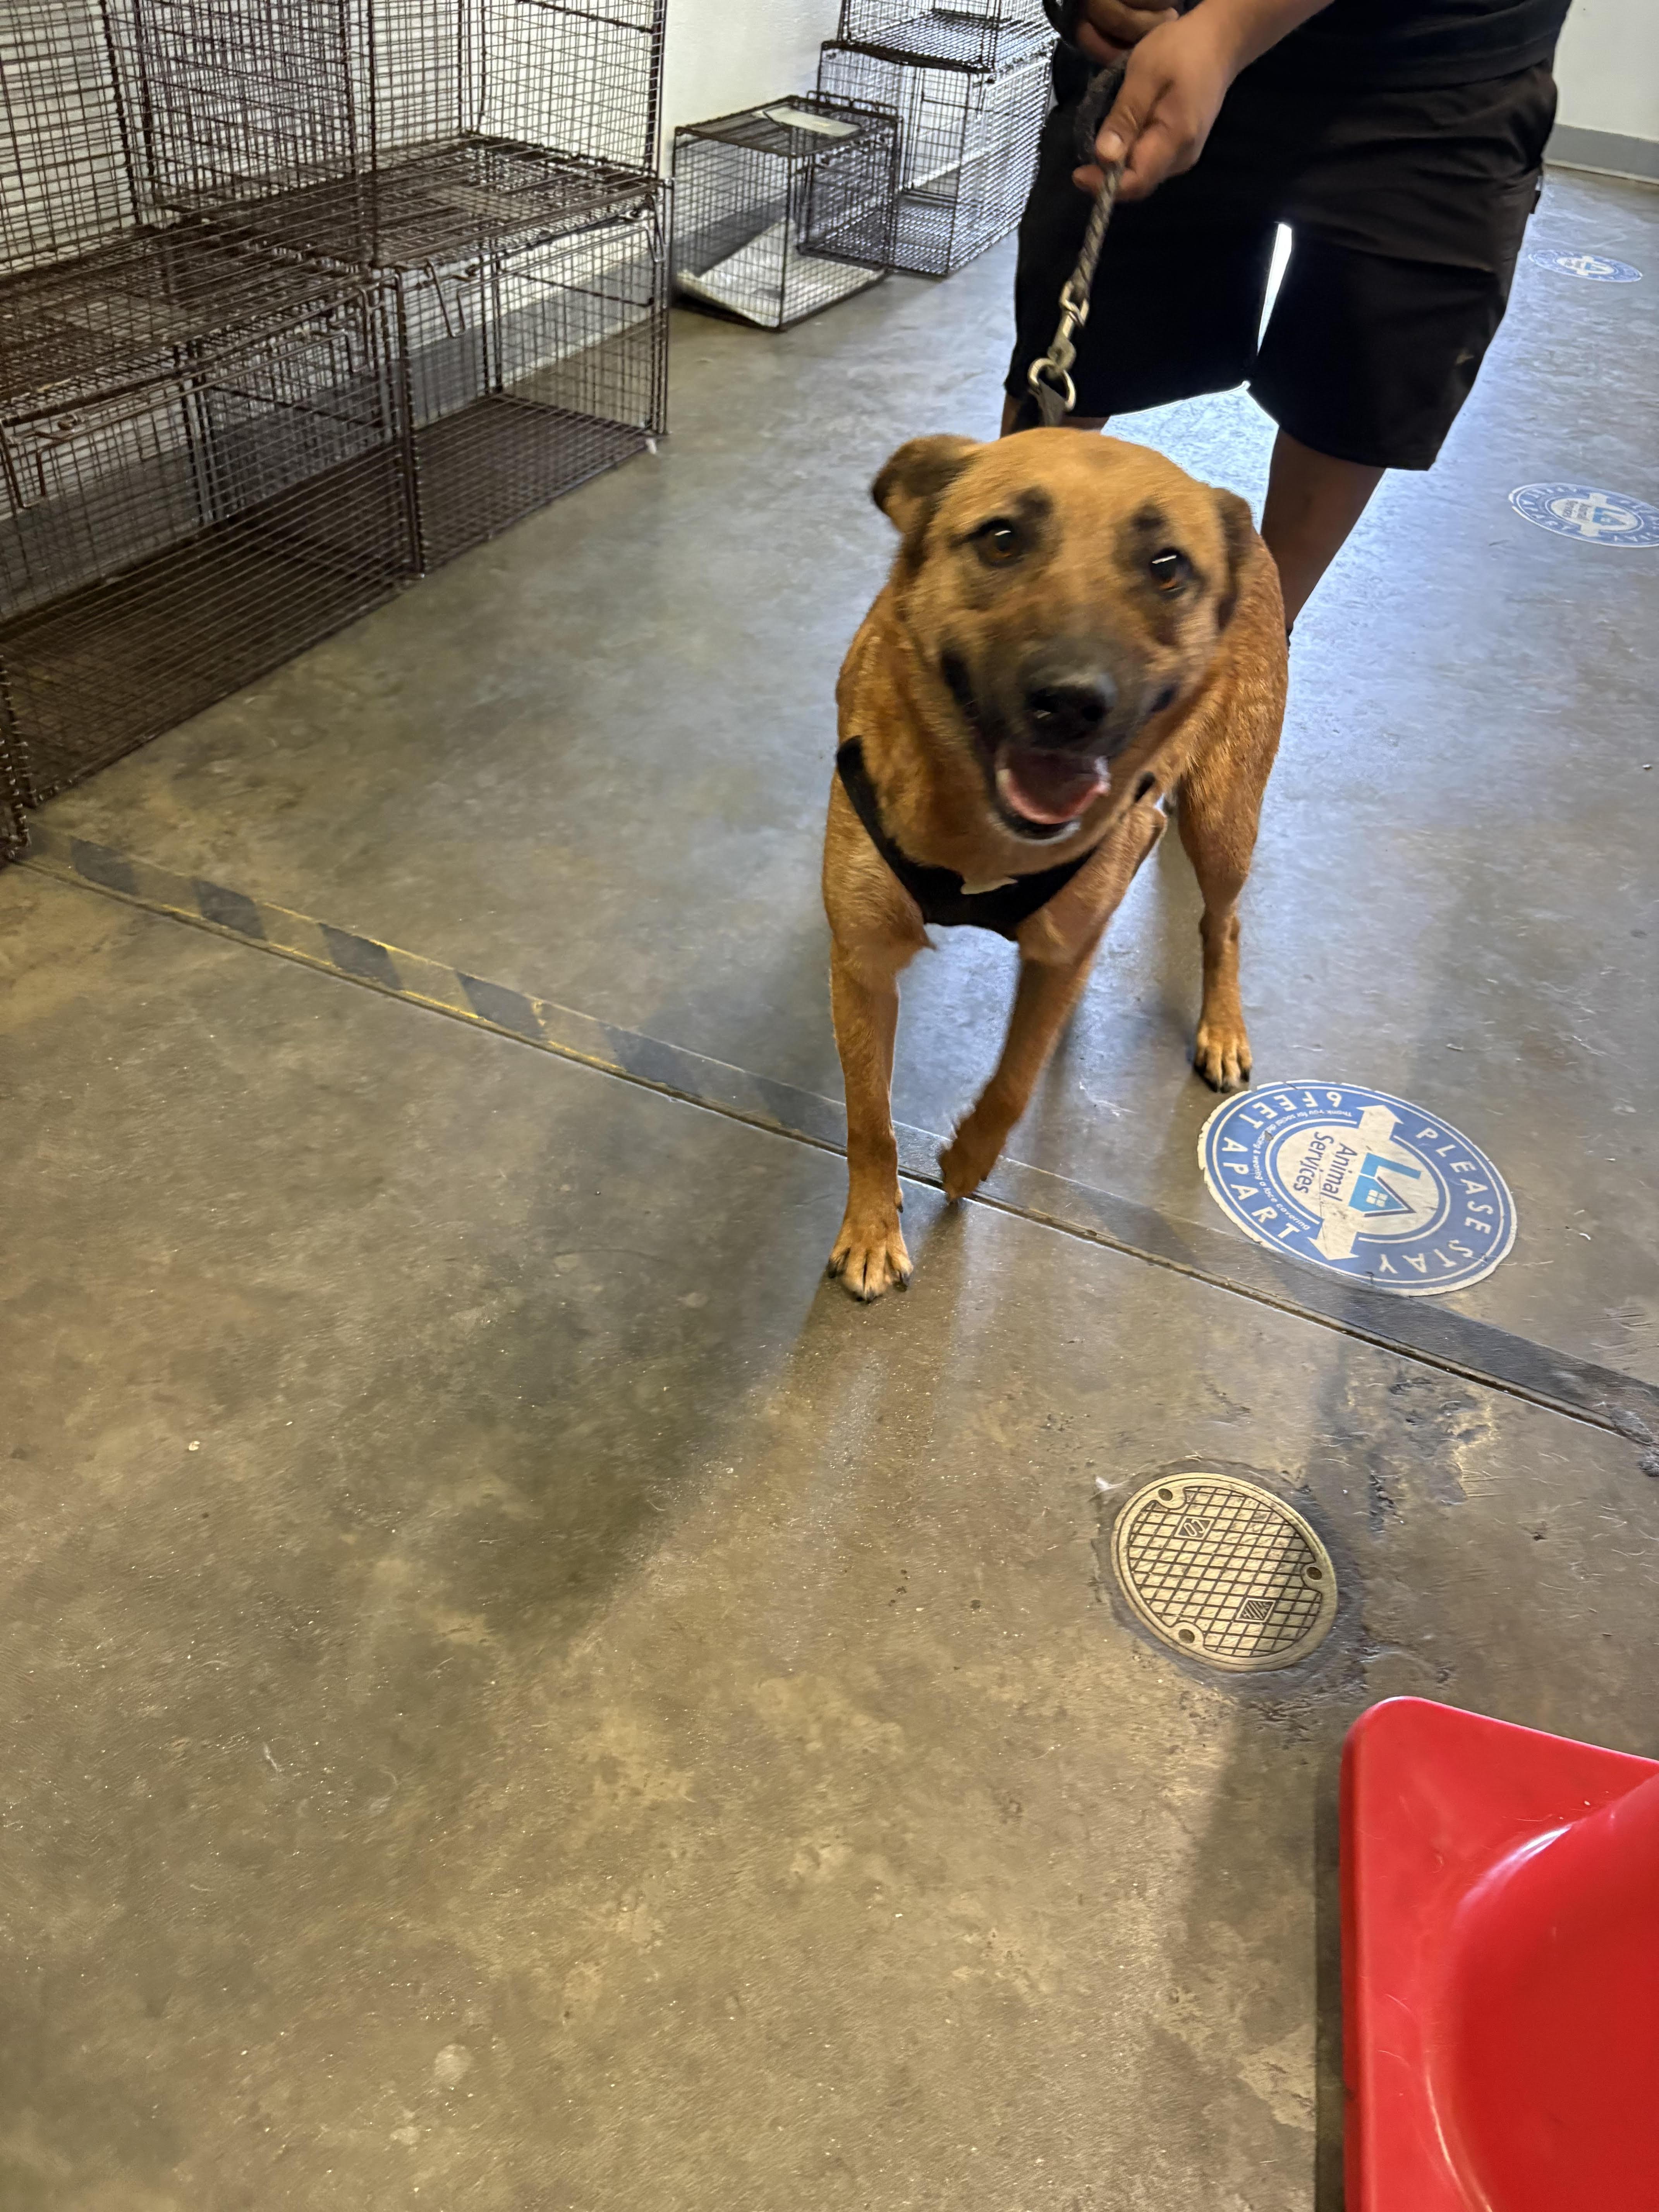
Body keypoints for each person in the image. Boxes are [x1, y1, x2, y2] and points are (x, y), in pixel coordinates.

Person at [1005, 0, 1571, 625]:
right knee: (1071, 365)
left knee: (1360, 394)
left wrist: (1227, 30)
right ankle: (1005, 622)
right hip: (1169, 35)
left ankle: (1263, 641)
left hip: (1443, 59)